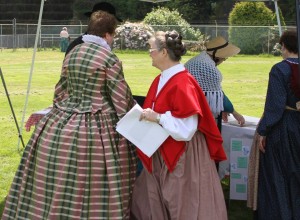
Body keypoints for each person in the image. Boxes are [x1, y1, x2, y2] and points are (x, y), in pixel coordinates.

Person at [2, 11, 137, 220]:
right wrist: (135, 114)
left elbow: (60, 89)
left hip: (62, 121)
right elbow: (120, 98)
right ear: (108, 34)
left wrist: (62, 108)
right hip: (97, 128)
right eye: (113, 36)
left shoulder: (73, 52)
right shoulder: (109, 58)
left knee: (58, 176)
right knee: (94, 178)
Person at [130, 30, 228, 220]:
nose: (150, 53)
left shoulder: (183, 82)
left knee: (183, 204)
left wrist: (157, 117)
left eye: (151, 50)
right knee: (155, 202)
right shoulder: (162, 78)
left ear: (164, 52)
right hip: (163, 149)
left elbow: (187, 129)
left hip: (184, 154)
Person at [254, 30, 300, 220]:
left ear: (284, 46)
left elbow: (275, 107)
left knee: (279, 175)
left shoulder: (280, 69)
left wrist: (263, 131)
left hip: (285, 128)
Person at [185, 36, 245, 131]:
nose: (223, 60)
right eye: (224, 58)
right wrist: (234, 112)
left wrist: (223, 108)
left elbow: (214, 90)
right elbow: (217, 96)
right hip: (200, 117)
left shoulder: (197, 60)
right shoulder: (207, 67)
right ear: (217, 56)